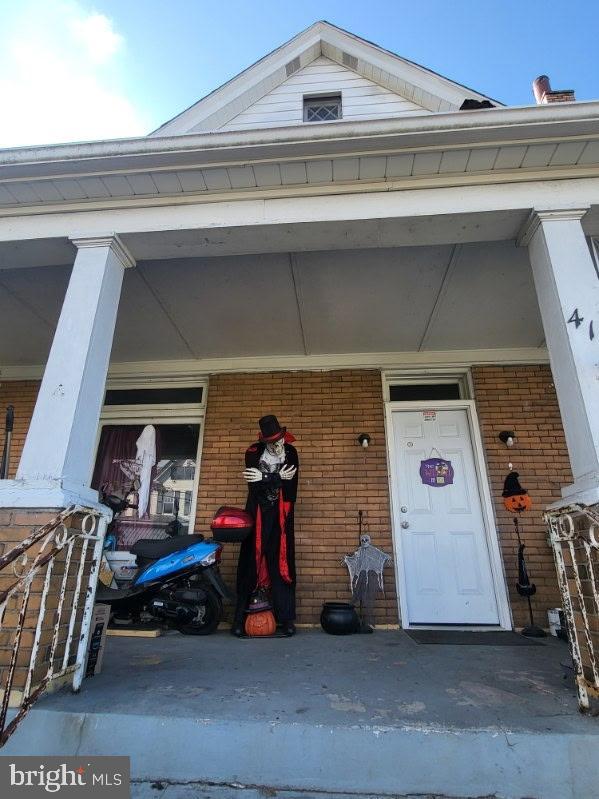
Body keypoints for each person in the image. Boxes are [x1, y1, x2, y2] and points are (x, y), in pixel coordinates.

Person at [231, 415, 299, 637]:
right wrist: (277, 477)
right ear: (264, 441)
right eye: (272, 441)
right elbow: (254, 487)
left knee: (282, 565)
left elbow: (291, 488)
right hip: (257, 514)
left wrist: (265, 476)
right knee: (249, 564)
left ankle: (286, 619)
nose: (278, 444)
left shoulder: (291, 453)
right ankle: (239, 620)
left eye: (279, 439)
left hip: (281, 517)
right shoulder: (253, 453)